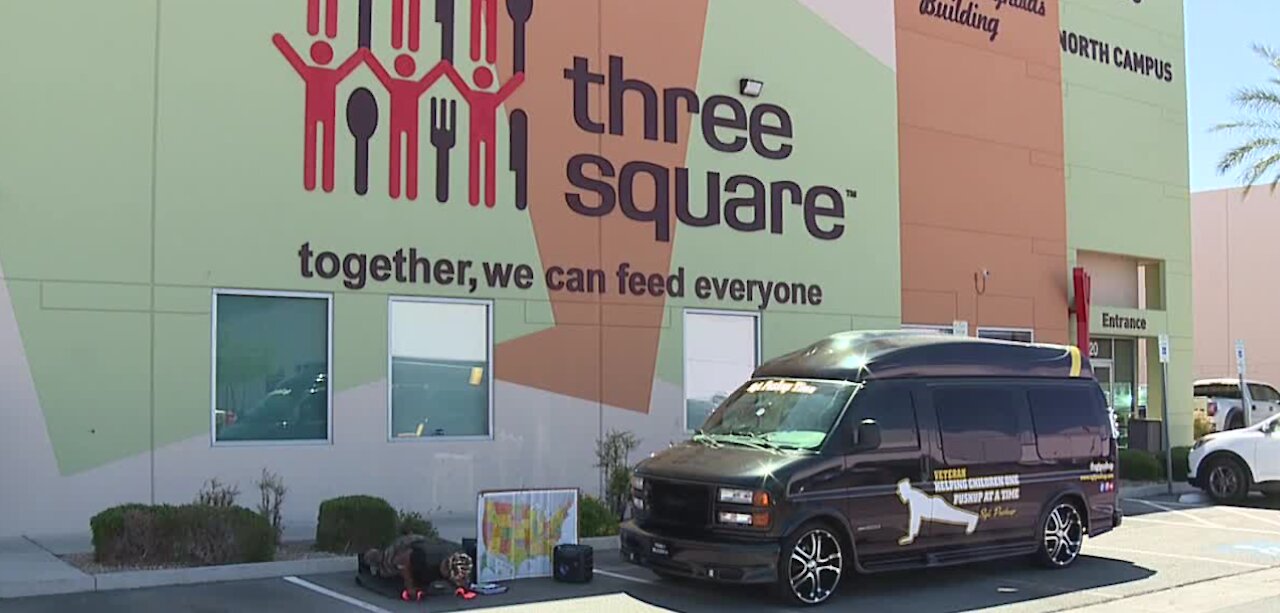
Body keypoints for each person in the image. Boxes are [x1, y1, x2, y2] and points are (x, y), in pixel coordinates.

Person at [363, 532, 430, 601]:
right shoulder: (392, 550)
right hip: (423, 547)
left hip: (419, 556)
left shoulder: (389, 562)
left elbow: (402, 568)